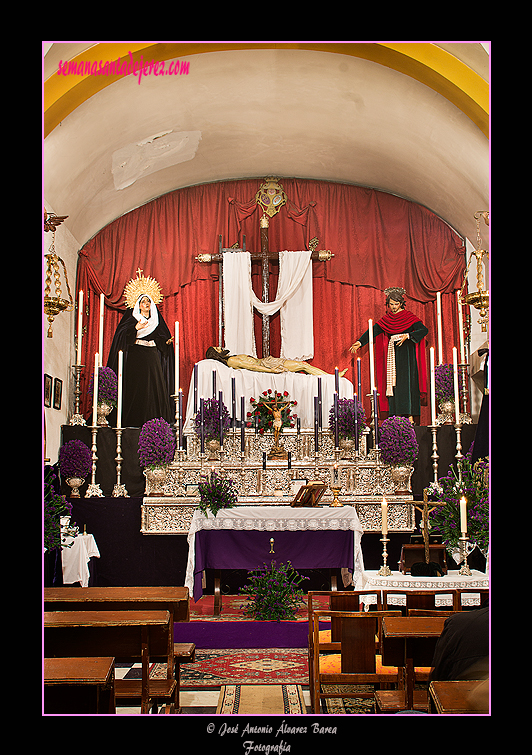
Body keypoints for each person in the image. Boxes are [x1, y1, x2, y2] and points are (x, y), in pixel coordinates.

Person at [349, 287, 428, 422]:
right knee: (393, 383)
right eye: (391, 304)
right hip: (393, 353)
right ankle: (396, 415)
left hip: (407, 355)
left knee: (407, 383)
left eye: (396, 304)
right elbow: (374, 330)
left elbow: (423, 330)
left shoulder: (409, 317)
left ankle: (409, 416)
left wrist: (408, 336)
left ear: (401, 303)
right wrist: (360, 342)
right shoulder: (388, 319)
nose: (394, 307)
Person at [107, 286, 175, 428]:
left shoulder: (156, 321)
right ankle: (133, 421)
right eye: (143, 301)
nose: (146, 304)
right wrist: (135, 328)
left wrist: (166, 343)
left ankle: (155, 421)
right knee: (136, 387)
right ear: (138, 304)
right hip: (136, 356)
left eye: (148, 302)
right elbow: (122, 337)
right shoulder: (131, 319)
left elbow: (160, 338)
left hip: (151, 356)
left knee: (153, 387)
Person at [205, 346, 346, 377]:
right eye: (218, 349)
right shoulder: (232, 361)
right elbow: (254, 367)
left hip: (267, 361)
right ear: (216, 355)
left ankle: (330, 377)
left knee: (302, 367)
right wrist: (271, 370)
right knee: (302, 365)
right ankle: (332, 377)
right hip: (267, 364)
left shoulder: (232, 358)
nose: (220, 347)